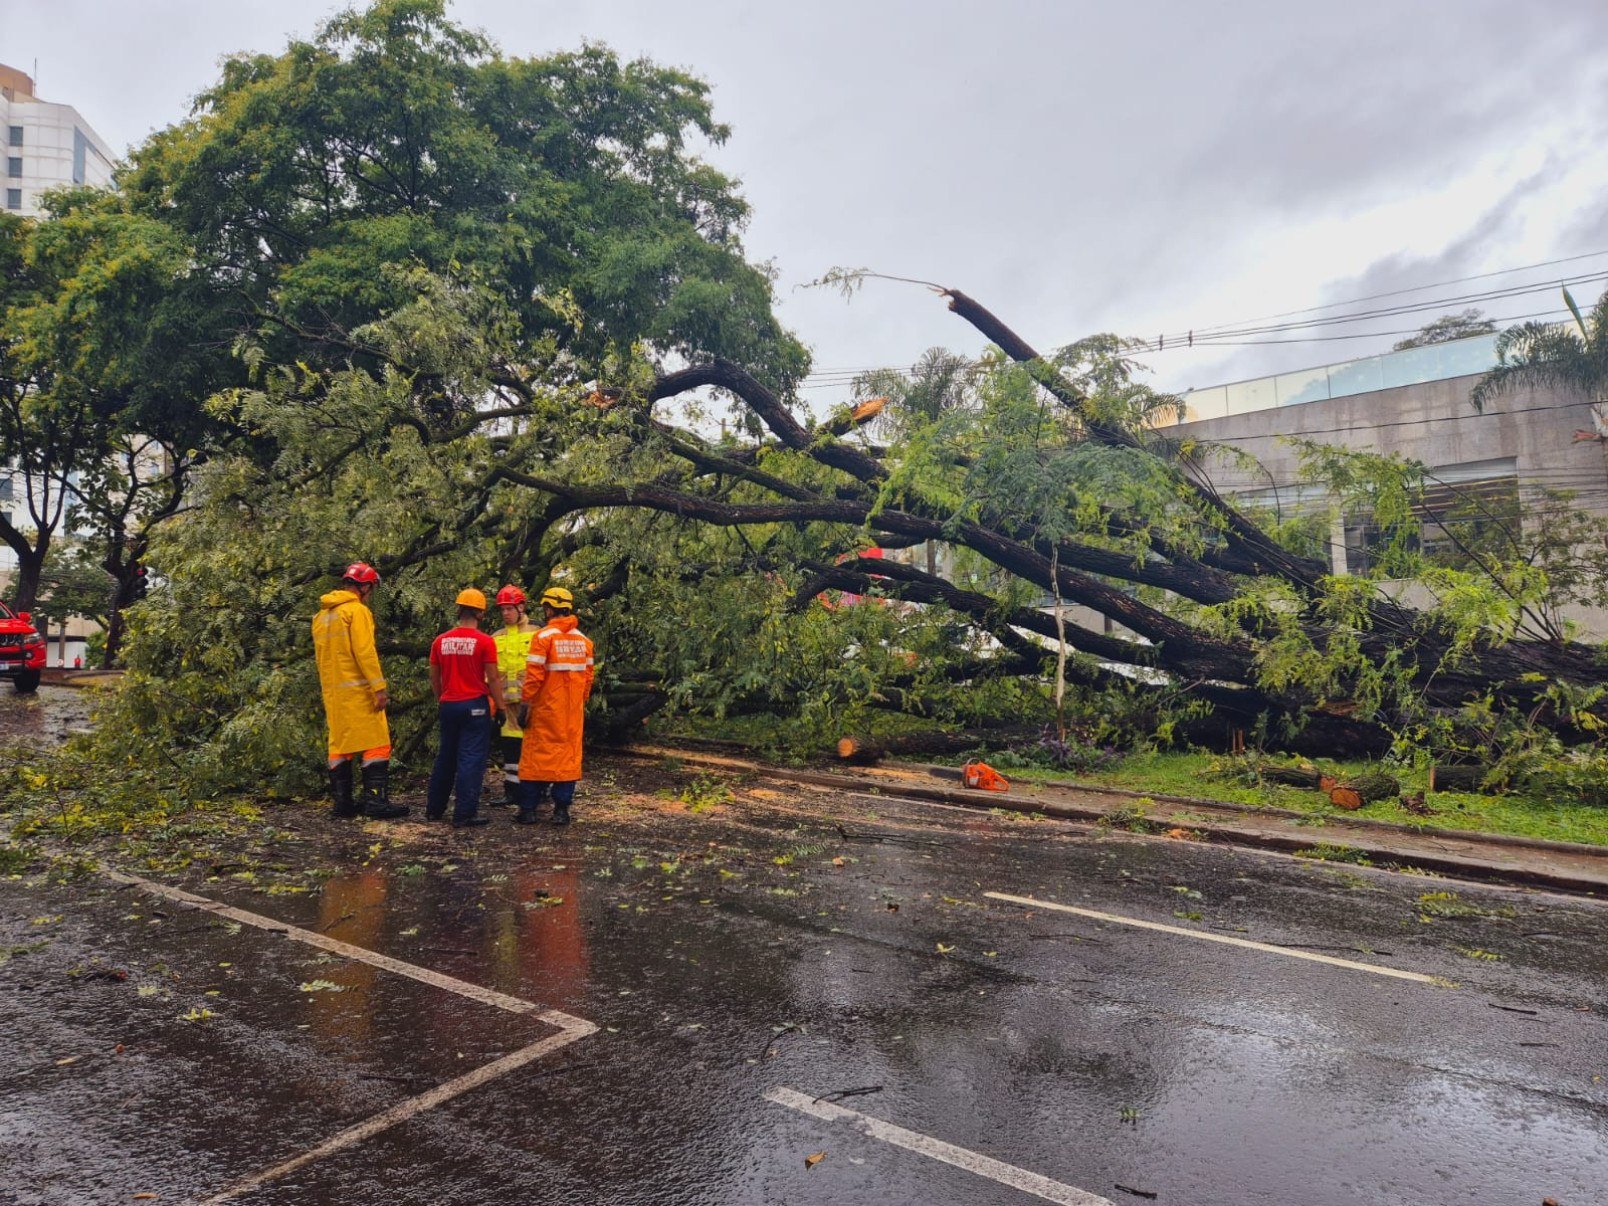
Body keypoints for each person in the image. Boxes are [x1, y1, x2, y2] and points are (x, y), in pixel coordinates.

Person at [312, 562, 408, 820]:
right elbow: (365, 653)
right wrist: (379, 687)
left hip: (333, 694)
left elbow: (321, 659)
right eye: (371, 588)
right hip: (358, 691)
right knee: (378, 743)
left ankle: (342, 804)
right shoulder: (357, 612)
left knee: (339, 746)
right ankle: (376, 803)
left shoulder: (322, 616)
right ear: (364, 586)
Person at [516, 586, 595, 826]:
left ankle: (528, 810)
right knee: (568, 760)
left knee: (534, 757)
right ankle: (561, 811)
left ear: (548, 609)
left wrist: (525, 705)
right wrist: (578, 703)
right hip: (571, 713)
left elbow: (533, 677)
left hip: (544, 710)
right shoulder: (584, 642)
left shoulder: (542, 638)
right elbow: (588, 679)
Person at [427, 588, 504, 828]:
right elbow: (492, 679)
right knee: (471, 758)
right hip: (475, 706)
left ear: (458, 609)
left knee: (446, 757)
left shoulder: (440, 641)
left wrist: (443, 699)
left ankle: (434, 810)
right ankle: (465, 813)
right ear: (481, 613)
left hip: (449, 705)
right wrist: (501, 708)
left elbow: (434, 678)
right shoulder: (485, 642)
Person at [490, 585, 538, 808]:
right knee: (510, 748)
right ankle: (511, 791)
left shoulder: (536, 634)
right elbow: (488, 673)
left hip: (531, 703)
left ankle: (537, 790)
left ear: (521, 607)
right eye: (502, 610)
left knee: (533, 747)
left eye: (509, 609)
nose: (505, 613)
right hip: (506, 705)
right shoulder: (496, 637)